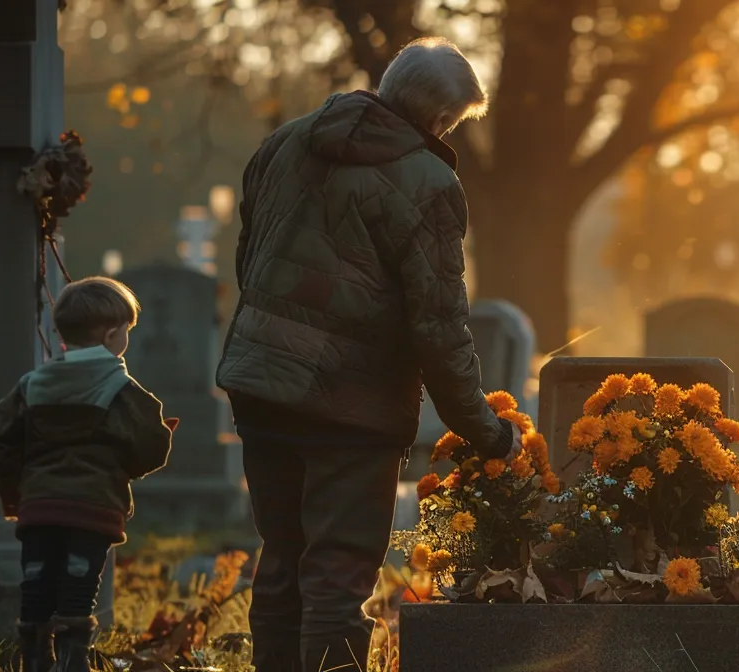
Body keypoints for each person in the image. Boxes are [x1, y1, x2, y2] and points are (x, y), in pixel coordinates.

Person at [218, 37, 516, 671]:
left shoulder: (286, 140)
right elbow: (438, 324)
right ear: (439, 119)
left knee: (282, 556)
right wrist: (484, 429)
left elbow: (251, 253)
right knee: (336, 574)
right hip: (349, 406)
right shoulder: (429, 181)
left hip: (261, 382)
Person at [0, 277, 176, 672]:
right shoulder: (120, 388)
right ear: (111, 335)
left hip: (38, 505)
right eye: (127, 332)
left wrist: (15, 491)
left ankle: (34, 656)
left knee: (35, 581)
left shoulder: (32, 385)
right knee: (78, 584)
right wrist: (130, 464)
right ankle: (73, 659)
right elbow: (148, 447)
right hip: (92, 507)